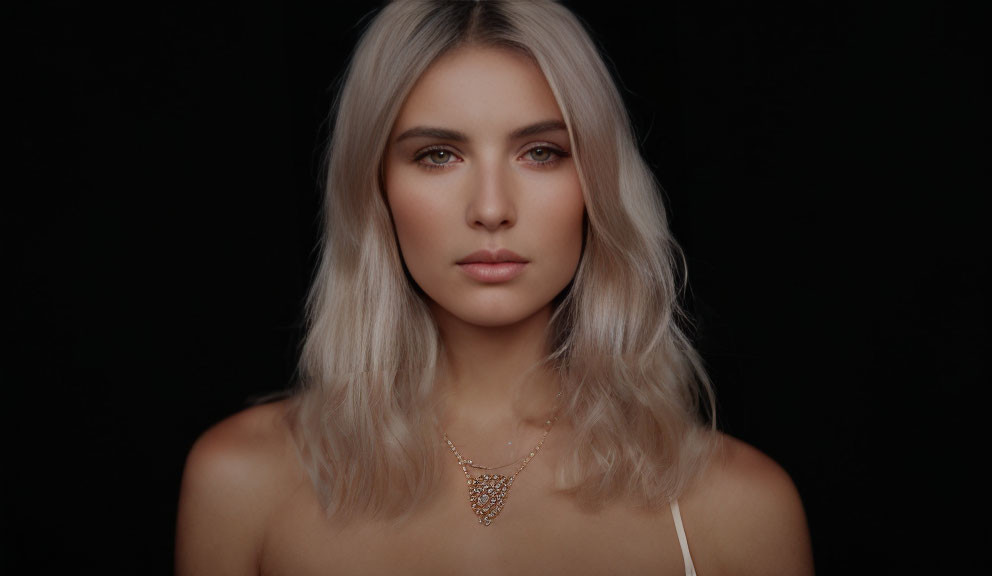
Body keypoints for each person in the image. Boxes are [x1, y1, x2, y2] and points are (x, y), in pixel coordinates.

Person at [175, 1, 813, 574]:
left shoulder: (740, 509)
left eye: (540, 152)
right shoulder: (240, 482)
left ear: (598, 185)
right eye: (437, 155)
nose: (490, 208)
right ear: (375, 190)